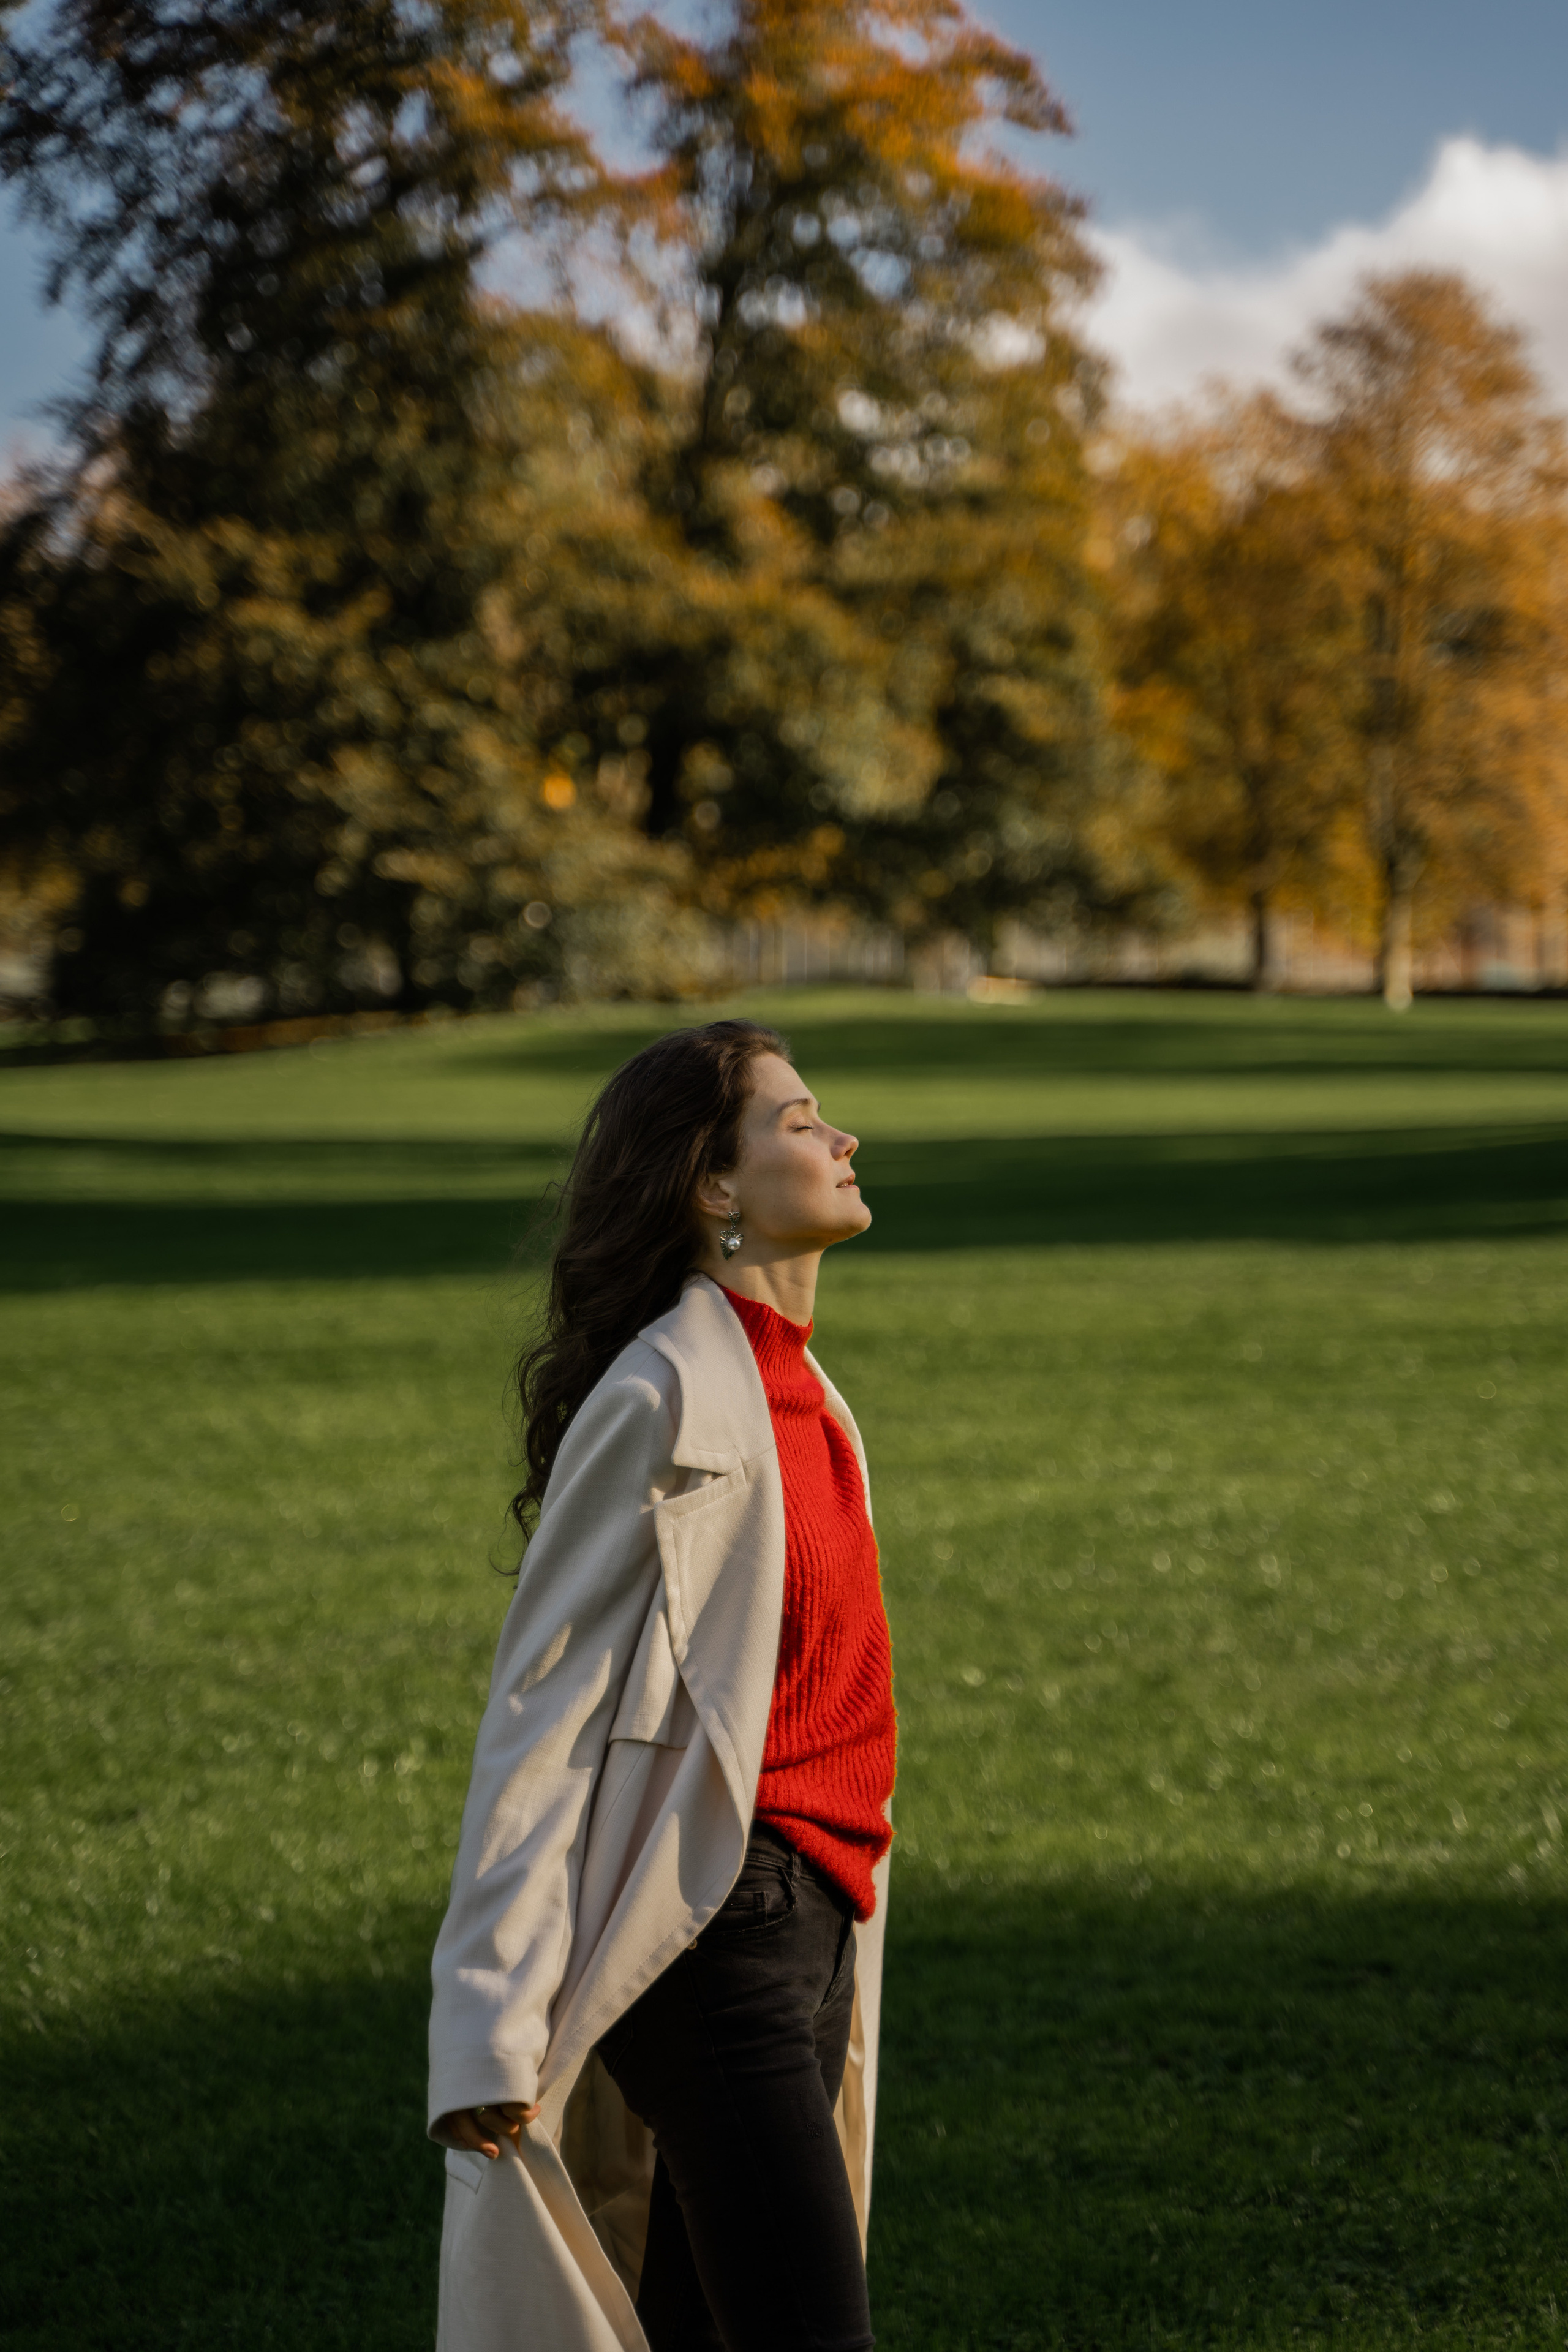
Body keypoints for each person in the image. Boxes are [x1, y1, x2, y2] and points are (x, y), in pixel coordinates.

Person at [427, 1019, 897, 2352]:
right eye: (798, 1121)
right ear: (712, 1184)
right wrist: (485, 2022)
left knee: (703, 2328)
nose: (838, 1137)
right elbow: (542, 1708)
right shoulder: (662, 1397)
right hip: (717, 1932)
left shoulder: (806, 1395)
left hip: (817, 1917)